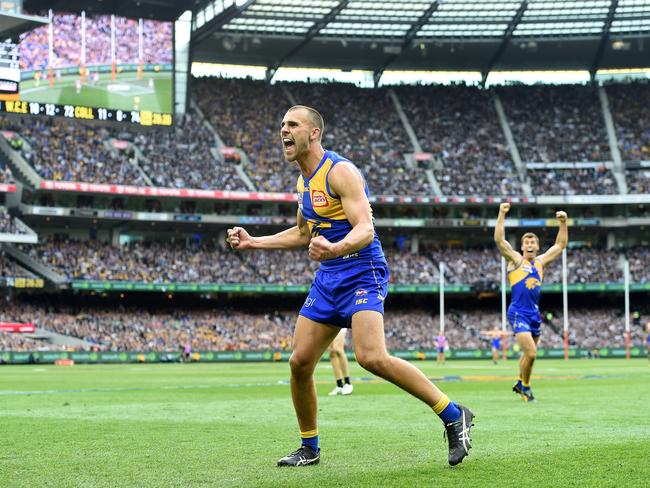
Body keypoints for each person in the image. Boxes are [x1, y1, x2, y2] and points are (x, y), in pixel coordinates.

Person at [227, 105, 474, 467]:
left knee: (371, 357)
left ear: (314, 133)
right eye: (281, 125)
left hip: (362, 269)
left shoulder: (340, 172)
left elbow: (365, 229)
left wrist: (334, 247)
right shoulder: (303, 183)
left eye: (292, 124)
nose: (284, 130)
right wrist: (253, 242)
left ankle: (453, 414)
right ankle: (309, 448)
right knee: (299, 362)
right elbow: (302, 232)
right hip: (329, 278)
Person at [494, 202, 568, 402]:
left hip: (534, 314)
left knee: (528, 356)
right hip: (518, 312)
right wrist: (501, 213)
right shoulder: (516, 260)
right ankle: (525, 387)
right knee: (532, 353)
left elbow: (560, 245)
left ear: (537, 247)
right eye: (526, 242)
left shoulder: (540, 262)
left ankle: (521, 382)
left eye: (533, 242)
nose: (529, 245)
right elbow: (500, 240)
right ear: (521, 246)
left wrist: (563, 223)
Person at [327, 328, 353, 396]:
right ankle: (339, 385)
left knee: (337, 349)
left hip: (338, 320)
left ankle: (348, 383)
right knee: (332, 352)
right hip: (328, 321)